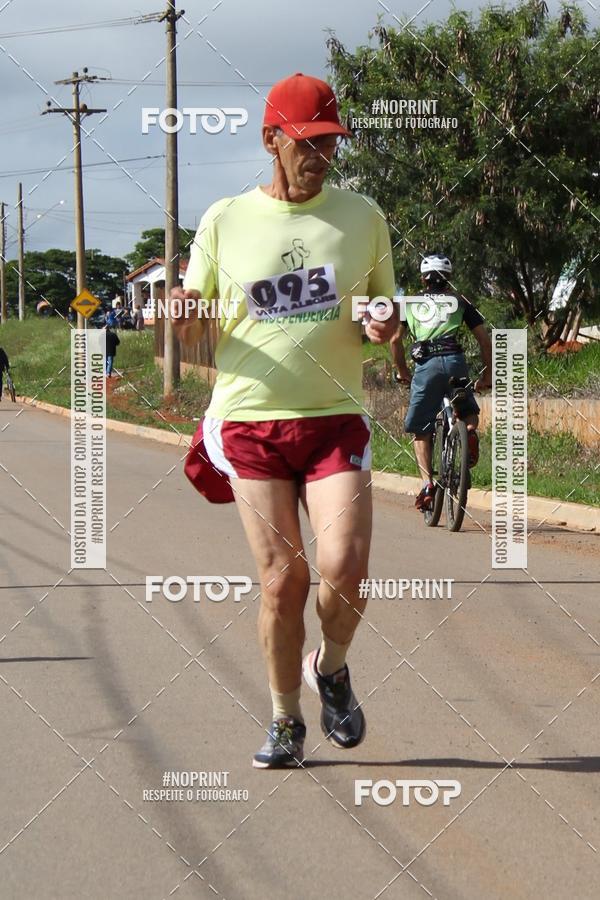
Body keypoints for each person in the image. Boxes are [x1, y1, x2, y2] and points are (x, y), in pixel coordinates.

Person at [171, 73, 397, 769]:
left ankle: (329, 667)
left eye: (330, 143)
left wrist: (386, 322)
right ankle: (283, 719)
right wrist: (179, 320)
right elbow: (189, 332)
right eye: (307, 142)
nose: (320, 155)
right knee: (282, 580)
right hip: (249, 420)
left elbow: (384, 316)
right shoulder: (224, 219)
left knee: (346, 568)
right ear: (271, 139)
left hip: (333, 417)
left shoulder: (363, 217)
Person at [390, 254, 492, 511]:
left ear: (423, 279)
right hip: (455, 362)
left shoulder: (410, 303)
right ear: (449, 278)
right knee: (469, 414)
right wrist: (488, 375)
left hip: (426, 368)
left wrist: (402, 371)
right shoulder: (461, 302)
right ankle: (467, 434)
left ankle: (427, 486)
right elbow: (484, 340)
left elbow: (394, 341)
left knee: (421, 429)